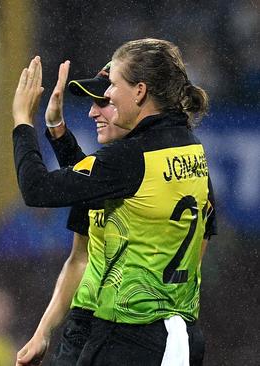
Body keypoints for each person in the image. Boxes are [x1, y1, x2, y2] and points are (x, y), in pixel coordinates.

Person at [12, 38, 214, 365]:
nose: (103, 98)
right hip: (174, 334)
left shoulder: (129, 158)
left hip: (128, 333)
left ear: (140, 91)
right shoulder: (191, 152)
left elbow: (38, 189)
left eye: (112, 87)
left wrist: (22, 120)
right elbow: (200, 241)